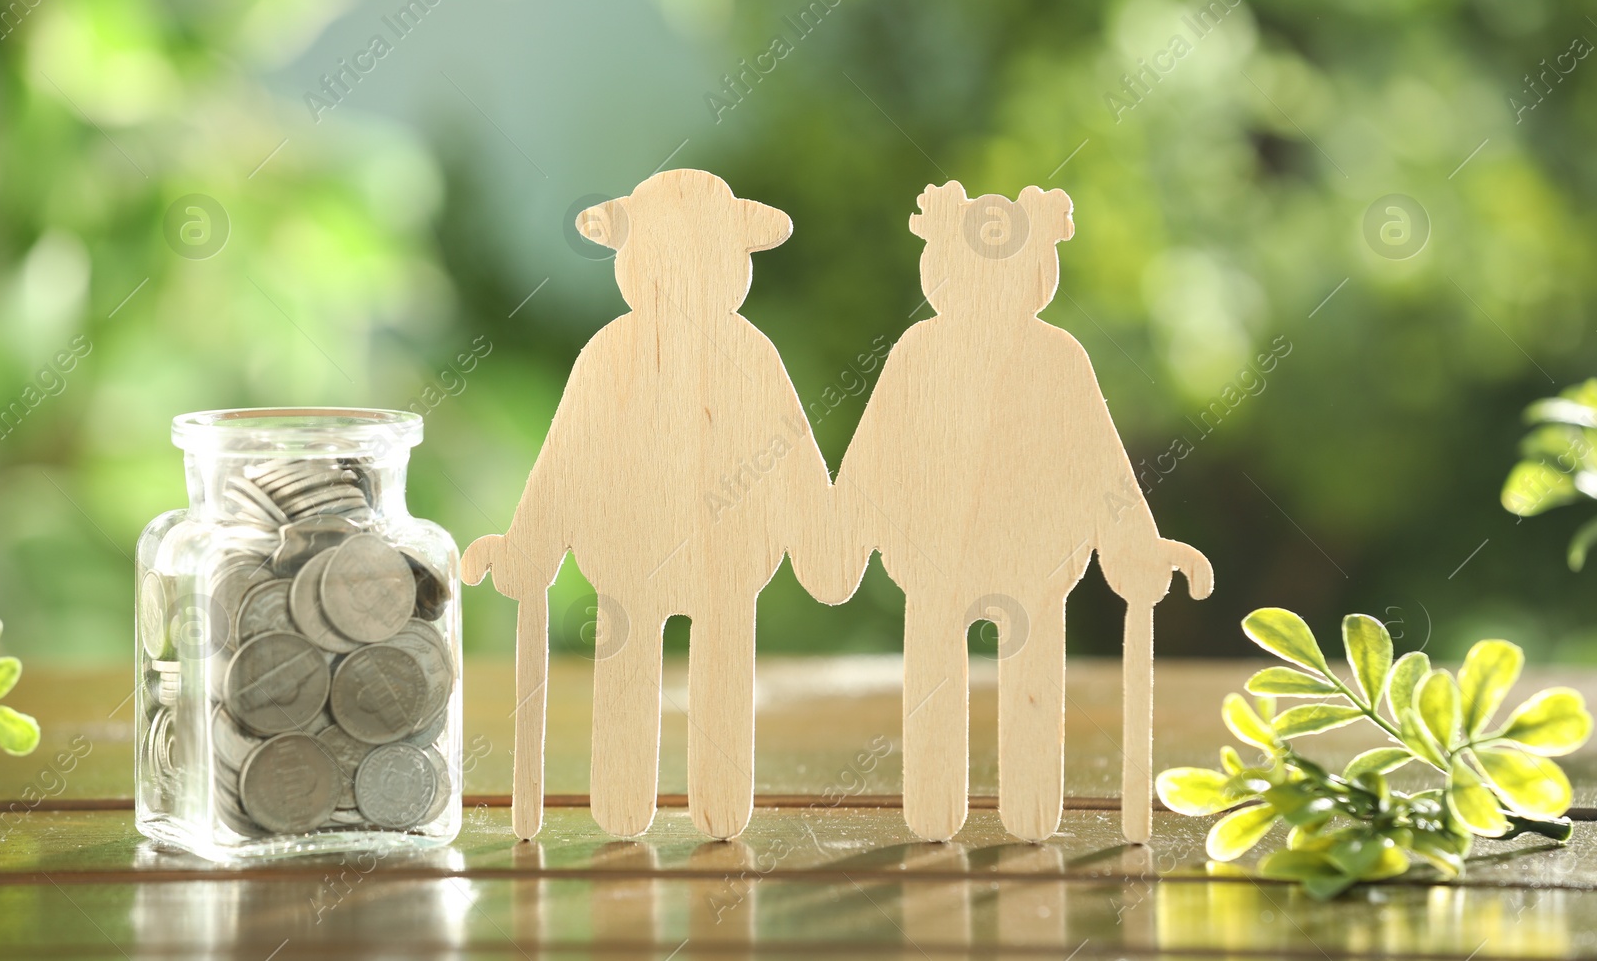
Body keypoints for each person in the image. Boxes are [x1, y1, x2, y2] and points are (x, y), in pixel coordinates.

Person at [818, 180, 1212, 843]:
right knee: (937, 686)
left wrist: (1136, 546)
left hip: (1034, 566)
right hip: (935, 564)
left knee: (1031, 686)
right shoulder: (918, 355)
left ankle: (1029, 809)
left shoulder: (1058, 358)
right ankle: (937, 807)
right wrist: (840, 536)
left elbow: (1100, 466)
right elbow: (873, 457)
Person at [464, 169, 837, 840]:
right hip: (630, 561)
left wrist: (820, 539)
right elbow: (566, 463)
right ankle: (623, 802)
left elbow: (791, 453)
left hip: (726, 564)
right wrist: (527, 549)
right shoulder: (610, 356)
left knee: (719, 673)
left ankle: (718, 802)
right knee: (629, 673)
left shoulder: (751, 355)